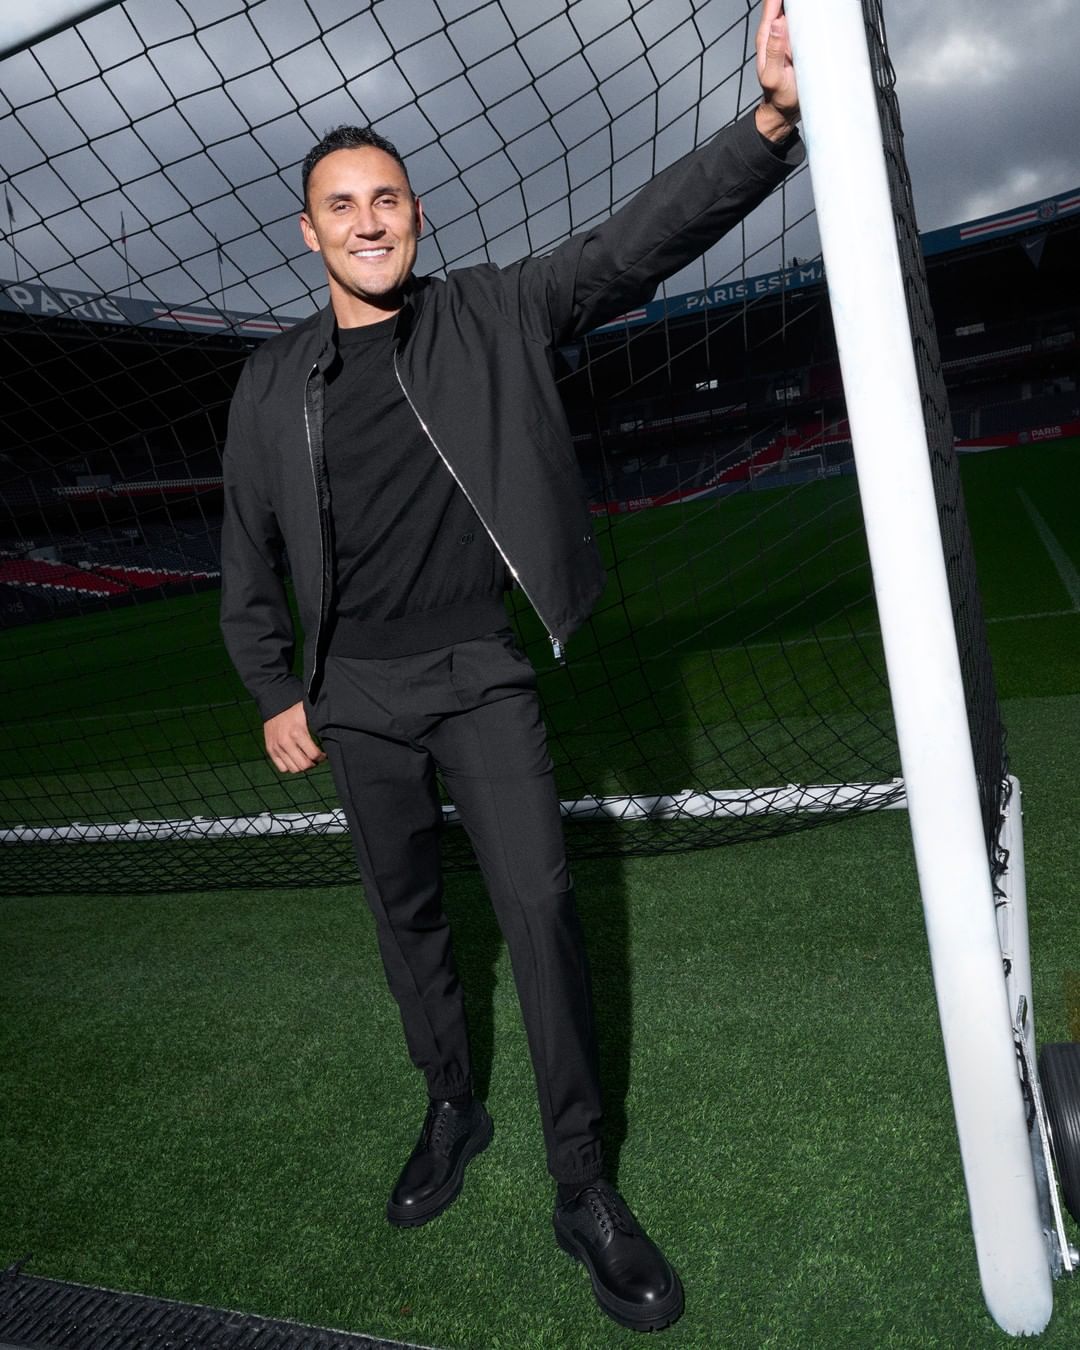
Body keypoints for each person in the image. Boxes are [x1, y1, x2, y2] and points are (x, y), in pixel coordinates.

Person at [220, 0, 800, 1332]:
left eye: (388, 199)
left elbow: (630, 244)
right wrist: (273, 686)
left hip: (479, 670)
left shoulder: (491, 312)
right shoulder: (269, 384)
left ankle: (581, 1182)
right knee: (406, 918)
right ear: (308, 234)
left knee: (539, 910)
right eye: (342, 205)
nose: (369, 220)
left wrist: (772, 122)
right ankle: (451, 1104)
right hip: (354, 695)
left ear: (416, 218)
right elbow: (247, 546)